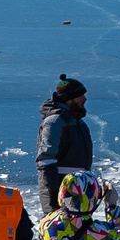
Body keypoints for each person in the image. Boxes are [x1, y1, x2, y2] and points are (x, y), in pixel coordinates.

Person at [35, 77, 93, 213]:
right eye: (80, 96)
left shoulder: (78, 123)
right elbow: (46, 162)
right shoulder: (55, 123)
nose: (85, 99)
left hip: (78, 195)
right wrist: (53, 203)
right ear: (69, 99)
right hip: (62, 197)